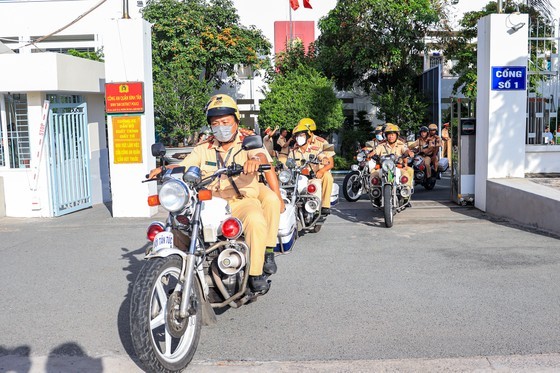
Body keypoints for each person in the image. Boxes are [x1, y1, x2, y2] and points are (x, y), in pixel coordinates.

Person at [148, 94, 273, 292]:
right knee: (178, 224)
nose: (220, 126)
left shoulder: (248, 143)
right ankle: (179, 270)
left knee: (256, 220)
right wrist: (164, 170)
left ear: (236, 121)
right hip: (209, 201)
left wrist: (255, 161)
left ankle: (255, 273)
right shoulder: (203, 147)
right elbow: (186, 164)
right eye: (216, 123)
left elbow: (260, 156)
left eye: (225, 122)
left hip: (241, 201)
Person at [290, 118, 335, 215]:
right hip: (302, 173)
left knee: (328, 177)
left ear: (309, 132)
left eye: (302, 133)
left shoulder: (323, 142)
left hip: (320, 170)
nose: (299, 136)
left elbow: (331, 163)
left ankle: (325, 205)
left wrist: (321, 171)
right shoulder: (298, 145)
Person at [371, 123, 414, 188]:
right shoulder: (381, 145)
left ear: (396, 136)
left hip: (397, 168)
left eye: (392, 135)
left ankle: (406, 191)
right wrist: (370, 154)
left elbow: (405, 150)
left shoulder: (401, 145)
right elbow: (375, 151)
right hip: (383, 168)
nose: (391, 137)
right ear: (386, 136)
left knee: (407, 173)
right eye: (389, 135)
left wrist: (409, 152)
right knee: (373, 173)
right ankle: (374, 191)